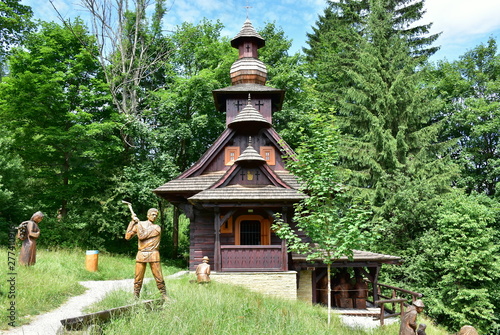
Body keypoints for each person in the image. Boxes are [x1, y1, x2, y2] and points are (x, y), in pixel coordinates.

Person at [125, 208, 167, 299]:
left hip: (153, 254)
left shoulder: (157, 228)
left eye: (156, 215)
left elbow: (142, 236)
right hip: (141, 254)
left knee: (158, 276)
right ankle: (136, 296)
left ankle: (164, 295)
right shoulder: (140, 225)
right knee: (138, 277)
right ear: (148, 215)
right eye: (153, 214)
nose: (155, 216)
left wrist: (138, 225)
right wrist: (132, 223)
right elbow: (127, 237)